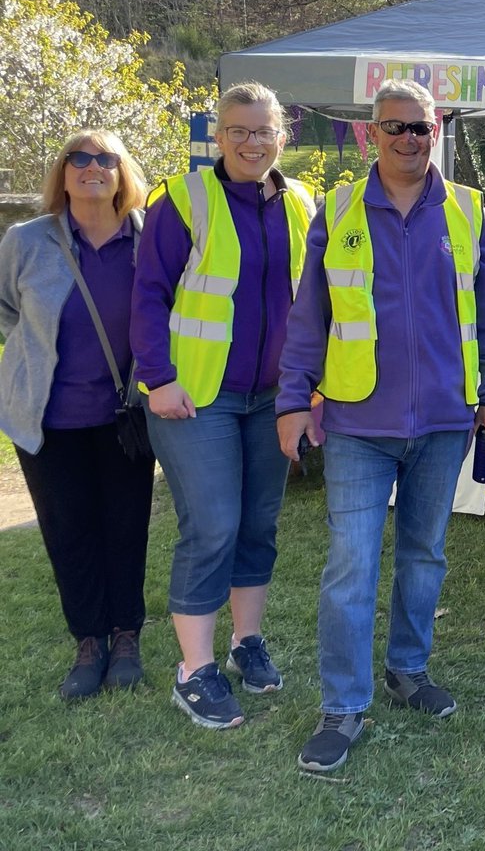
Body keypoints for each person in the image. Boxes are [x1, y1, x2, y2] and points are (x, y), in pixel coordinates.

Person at [278, 79, 485, 773]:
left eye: (421, 127)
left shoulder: (468, 210)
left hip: (443, 419)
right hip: (358, 421)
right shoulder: (338, 210)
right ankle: (342, 706)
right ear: (370, 133)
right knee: (351, 565)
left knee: (424, 555)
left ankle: (408, 671)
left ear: (435, 132)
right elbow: (309, 316)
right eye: (396, 127)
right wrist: (292, 400)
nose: (409, 138)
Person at [132, 81, 315, 729]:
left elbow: (311, 299)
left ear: (281, 137)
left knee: (258, 525)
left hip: (272, 399)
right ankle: (194, 671)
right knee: (212, 525)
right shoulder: (182, 199)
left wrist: (308, 387)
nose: (251, 142)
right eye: (238, 130)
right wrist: (158, 378)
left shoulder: (300, 203)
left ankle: (246, 643)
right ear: (218, 136)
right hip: (194, 396)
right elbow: (148, 294)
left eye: (263, 131)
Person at [0, 132, 151, 699]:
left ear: (122, 172)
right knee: (69, 532)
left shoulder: (148, 239)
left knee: (126, 526)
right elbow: (7, 309)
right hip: (49, 419)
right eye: (79, 159)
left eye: (105, 158)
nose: (92, 167)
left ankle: (126, 636)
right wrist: (34, 355)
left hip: (125, 418)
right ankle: (89, 641)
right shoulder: (26, 240)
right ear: (62, 173)